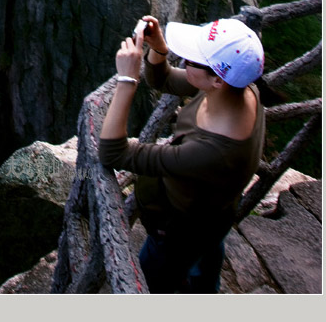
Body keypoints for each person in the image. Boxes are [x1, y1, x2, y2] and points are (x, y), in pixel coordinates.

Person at [98, 15, 265, 293]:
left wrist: (127, 78)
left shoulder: (210, 152)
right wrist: (159, 48)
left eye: (193, 59)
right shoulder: (240, 89)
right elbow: (163, 79)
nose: (185, 62)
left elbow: (113, 152)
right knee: (205, 264)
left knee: (156, 282)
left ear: (217, 80)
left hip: (179, 231)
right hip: (213, 214)